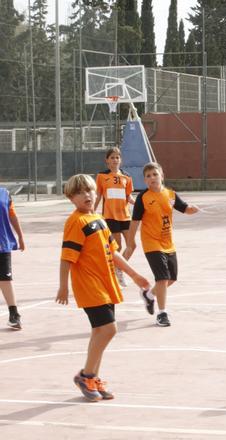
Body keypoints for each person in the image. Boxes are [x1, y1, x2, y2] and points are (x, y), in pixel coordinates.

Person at [56, 174, 150, 401]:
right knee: (109, 329)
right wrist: (63, 287)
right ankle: (85, 376)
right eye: (80, 192)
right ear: (71, 198)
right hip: (89, 285)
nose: (87, 195)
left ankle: (93, 378)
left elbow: (114, 252)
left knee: (99, 331)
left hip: (105, 283)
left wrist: (135, 275)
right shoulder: (75, 222)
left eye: (89, 191)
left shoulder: (98, 219)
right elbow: (66, 257)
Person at [125, 162, 199, 327]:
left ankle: (149, 296)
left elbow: (184, 208)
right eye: (148, 176)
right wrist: (131, 242)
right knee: (162, 278)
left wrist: (191, 209)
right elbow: (135, 221)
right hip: (152, 243)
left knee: (171, 279)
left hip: (168, 242)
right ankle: (162, 314)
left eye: (155, 174)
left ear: (162, 176)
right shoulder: (143, 199)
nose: (152, 178)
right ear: (145, 181)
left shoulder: (170, 195)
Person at [94, 147, 134, 287]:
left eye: (117, 157)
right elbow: (98, 195)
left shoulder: (127, 177)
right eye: (112, 157)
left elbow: (128, 196)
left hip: (125, 216)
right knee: (118, 246)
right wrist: (92, 211)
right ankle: (116, 273)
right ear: (107, 160)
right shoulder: (102, 176)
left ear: (120, 160)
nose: (115, 160)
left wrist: (139, 203)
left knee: (132, 245)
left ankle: (119, 268)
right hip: (111, 216)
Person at [0, 186, 25, 329]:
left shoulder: (5, 193)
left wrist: (20, 236)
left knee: (5, 279)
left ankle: (14, 315)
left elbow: (12, 215)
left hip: (2, 244)